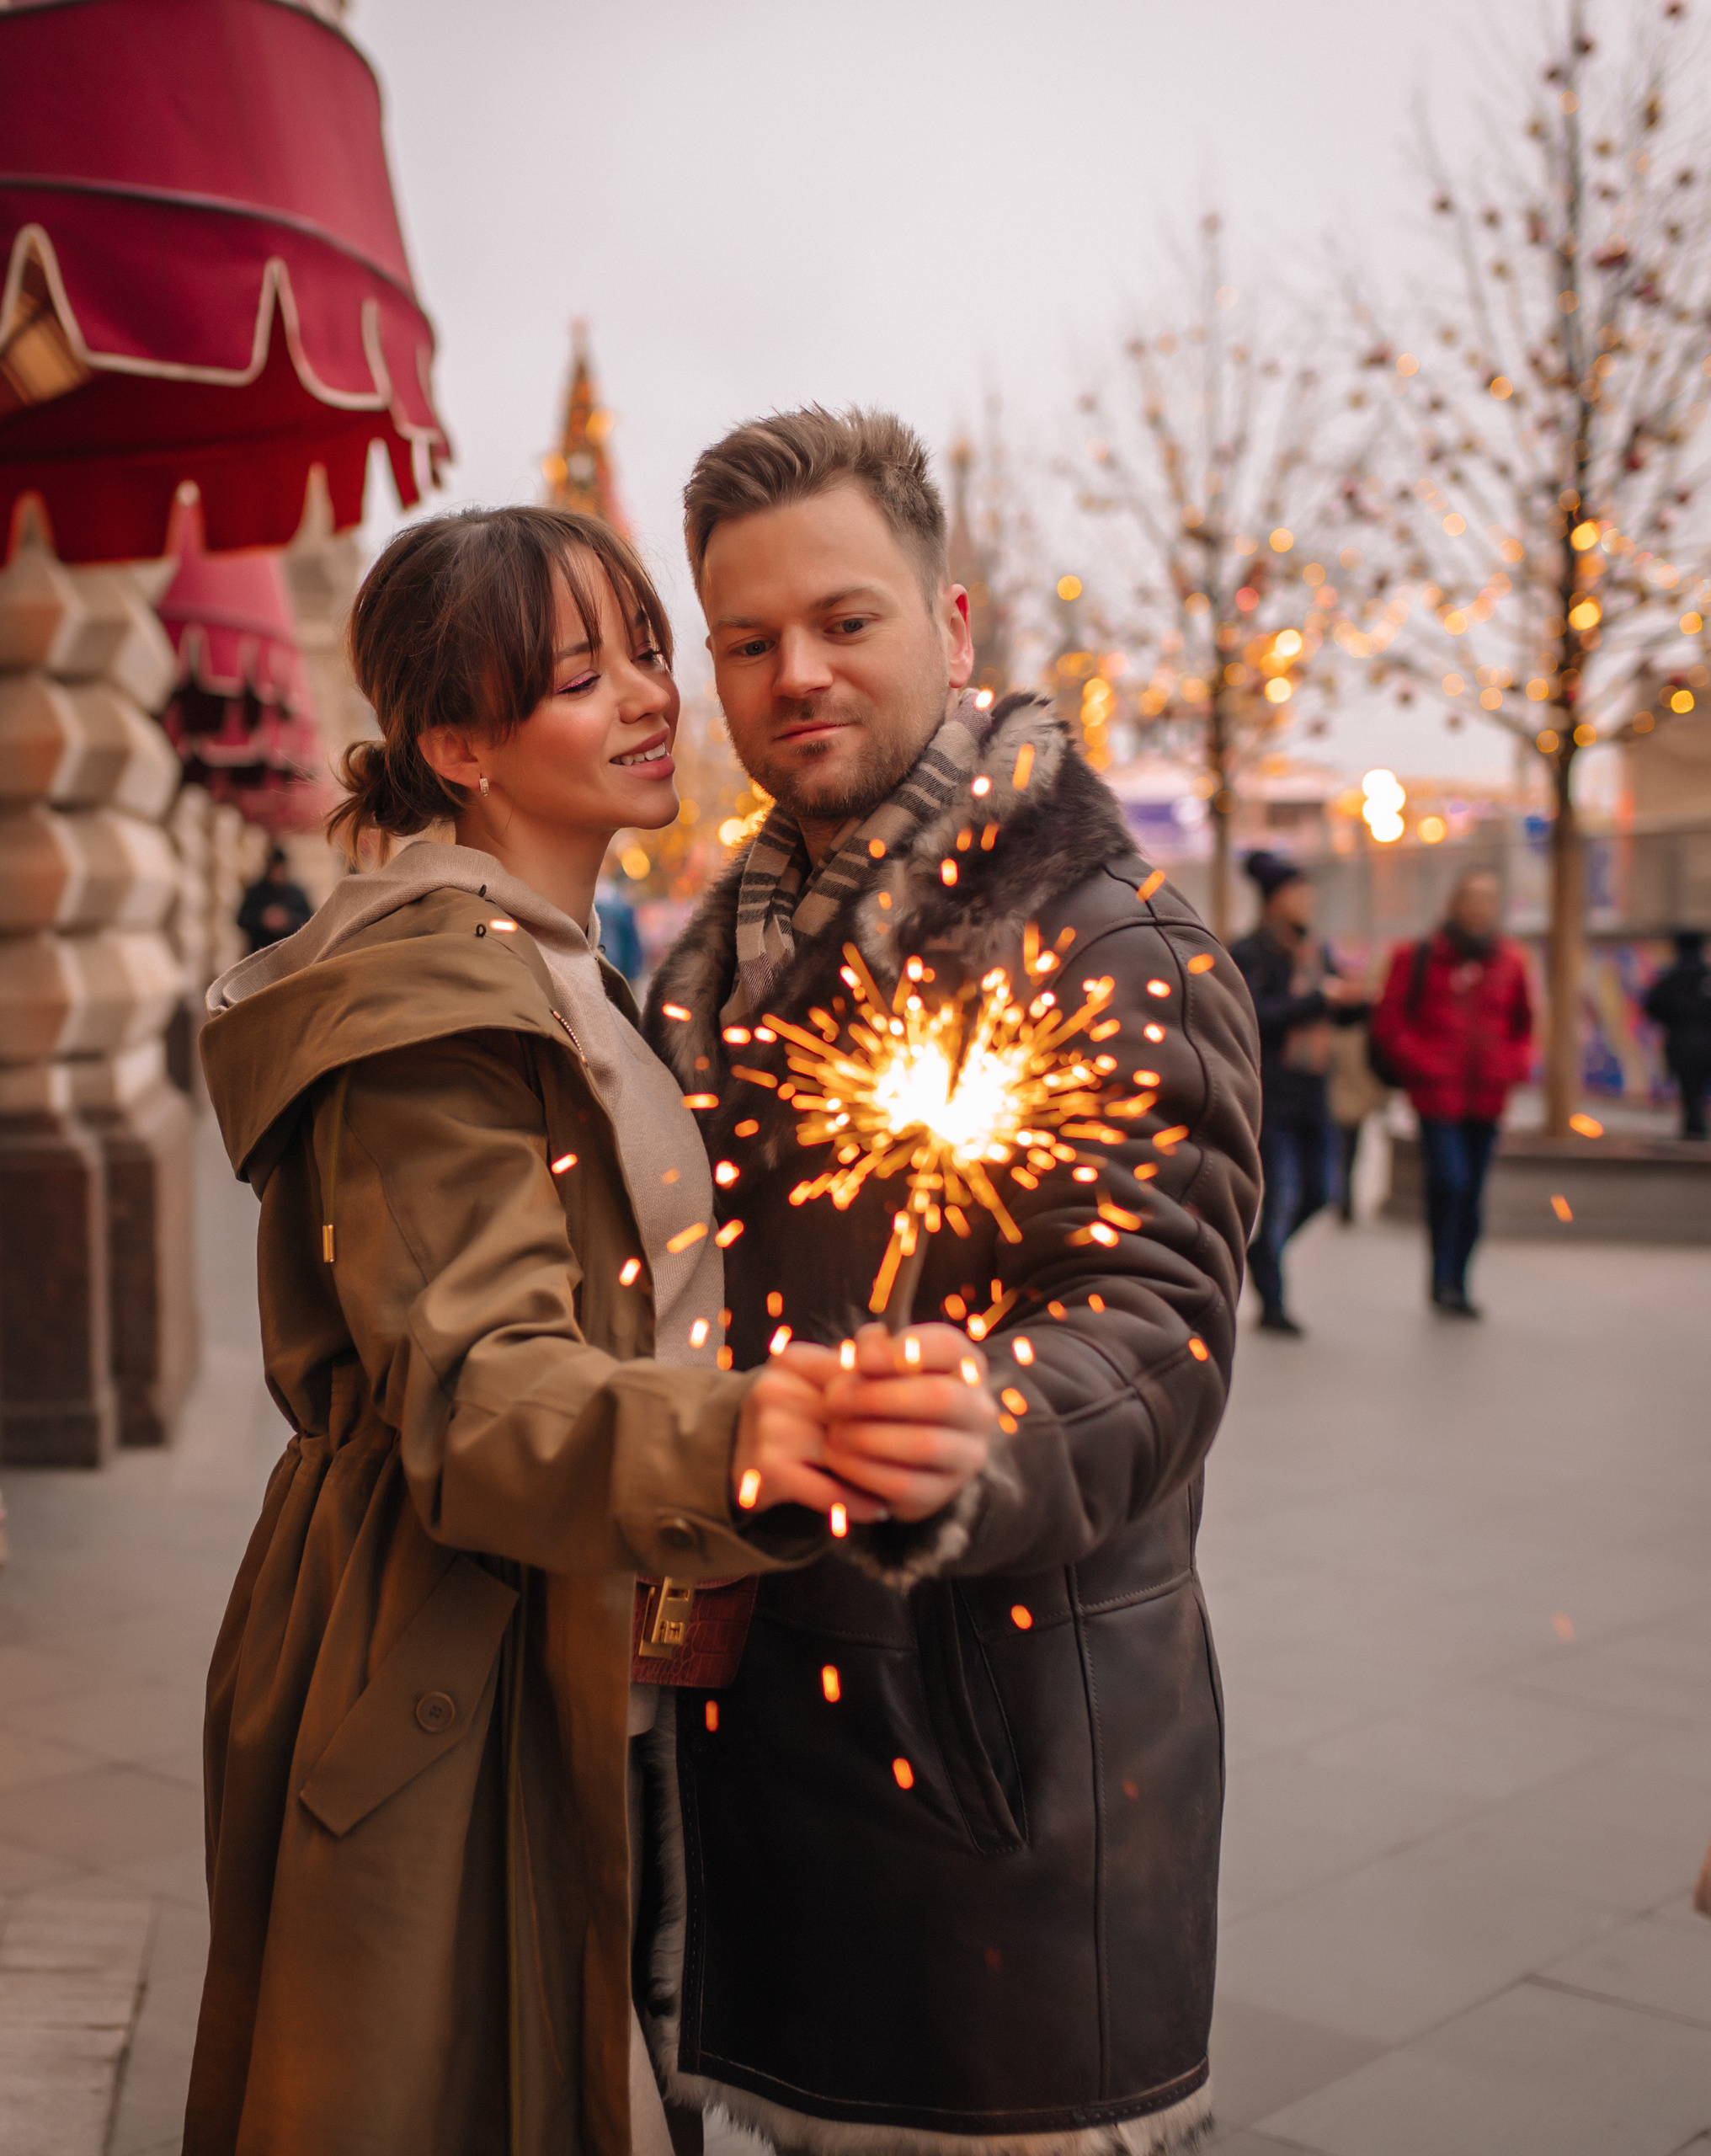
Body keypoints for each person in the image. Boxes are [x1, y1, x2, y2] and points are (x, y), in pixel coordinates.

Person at [182, 505, 994, 2156]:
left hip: (583, 1636)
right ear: (457, 739)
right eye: (579, 672)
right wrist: (740, 1430)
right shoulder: (428, 1010)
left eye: (645, 647)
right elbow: (480, 1395)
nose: (646, 697)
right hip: (443, 1664)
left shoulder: (559, 969)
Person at [642, 408, 1261, 2156]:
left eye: (845, 620)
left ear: (956, 626)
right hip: (763, 1770)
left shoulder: (1102, 930)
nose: (794, 674)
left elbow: (1152, 1322)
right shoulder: (721, 942)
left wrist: (981, 1421)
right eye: (747, 641)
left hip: (998, 1786)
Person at [1370, 868, 1532, 1317]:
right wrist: (1423, 1064)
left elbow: (1524, 1024)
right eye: (1473, 899)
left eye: (1488, 900)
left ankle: (1457, 1280)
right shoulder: (1417, 957)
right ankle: (1442, 1276)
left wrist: (1512, 1066)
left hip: (1488, 1096)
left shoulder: (1511, 961)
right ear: (1454, 904)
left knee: (1472, 1192)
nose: (1480, 908)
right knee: (1450, 1180)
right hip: (1436, 1096)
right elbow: (1390, 1023)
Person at [1230, 851, 1366, 1334]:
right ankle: (1274, 1300)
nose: (1308, 902)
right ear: (1275, 900)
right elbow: (1252, 1017)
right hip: (1270, 1096)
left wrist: (1353, 1002)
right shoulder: (1248, 953)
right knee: (1282, 1194)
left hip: (1313, 1093)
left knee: (1321, 1192)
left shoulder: (1317, 952)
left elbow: (1335, 1017)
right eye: (1299, 894)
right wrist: (1318, 999)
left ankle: (1266, 1250)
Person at [1642, 928, 1711, 1139]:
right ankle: (1696, 1129)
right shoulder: (1705, 977)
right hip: (1706, 1040)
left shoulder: (1670, 979)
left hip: (1681, 1042)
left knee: (1690, 1091)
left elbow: (1652, 1007)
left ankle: (1694, 1129)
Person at [235, 844, 312, 951]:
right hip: (259, 953)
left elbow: (310, 922)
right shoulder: (256, 892)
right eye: (275, 870)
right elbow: (241, 920)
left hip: (289, 953)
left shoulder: (296, 894)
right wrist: (263, 919)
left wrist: (287, 920)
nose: (278, 874)